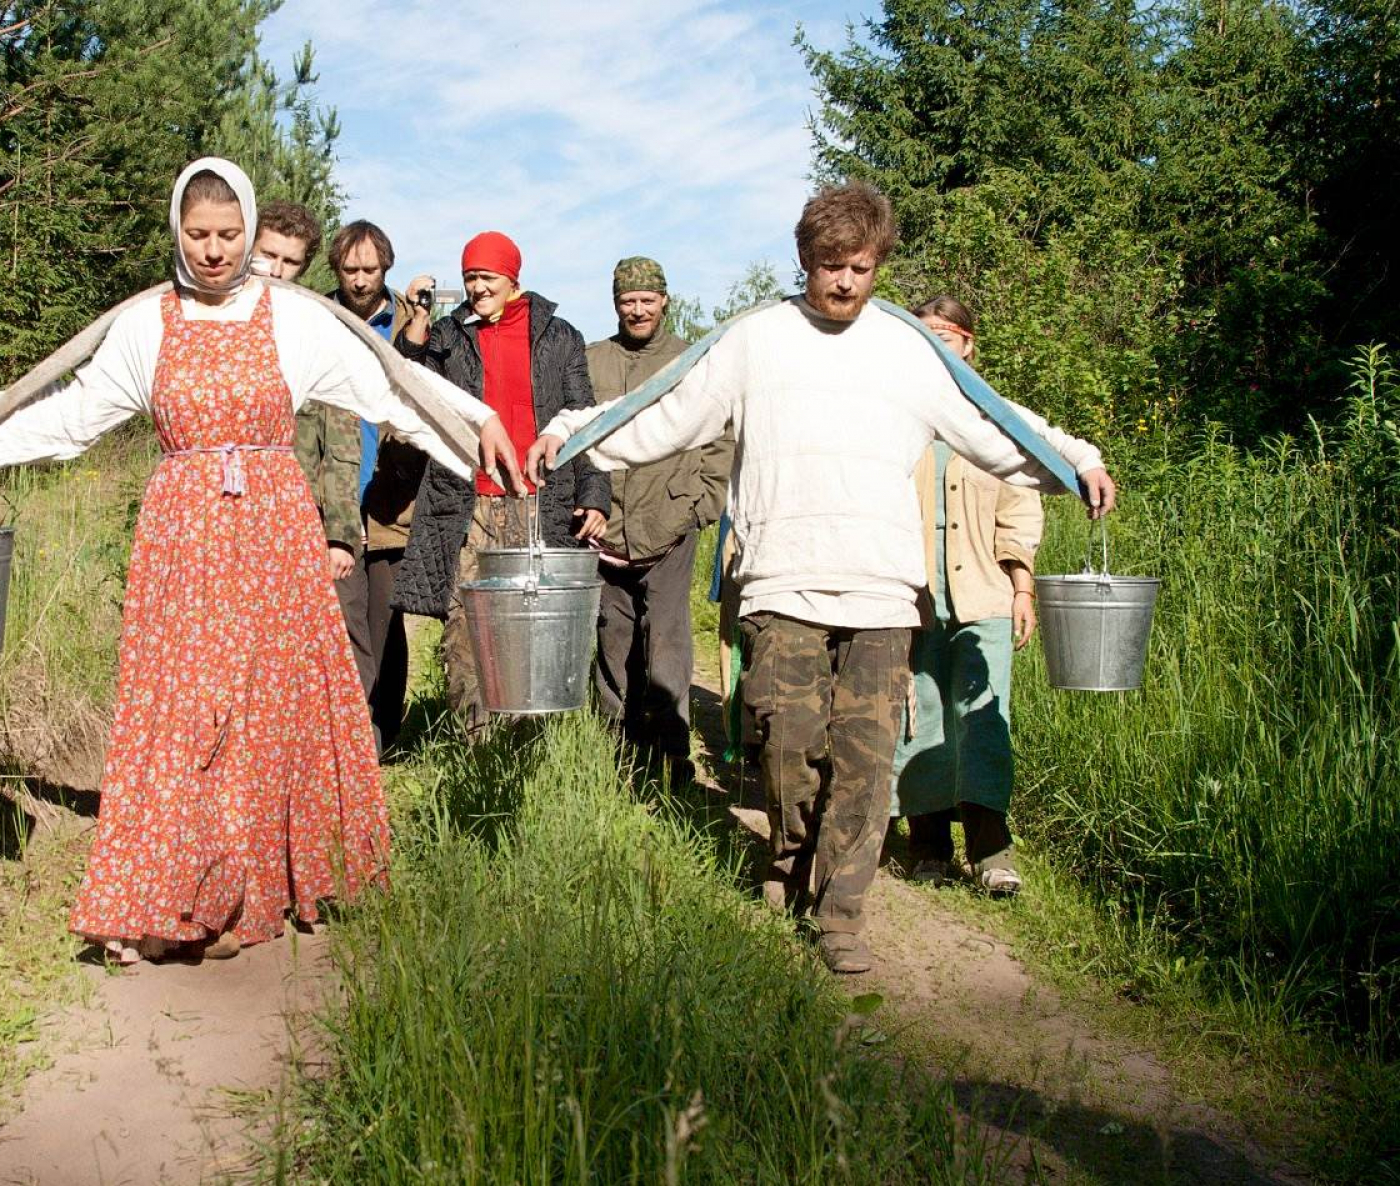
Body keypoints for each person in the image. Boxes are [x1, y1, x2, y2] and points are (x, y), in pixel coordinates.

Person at [0, 158, 524, 964]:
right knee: (182, 707)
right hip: (184, 542)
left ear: (248, 232)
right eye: (197, 234)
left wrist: (475, 418)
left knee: (272, 702)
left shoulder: (293, 317)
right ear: (178, 230)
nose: (212, 250)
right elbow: (74, 418)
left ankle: (257, 881)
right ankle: (176, 889)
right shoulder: (147, 323)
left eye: (228, 234)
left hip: (274, 535)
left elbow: (388, 389)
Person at [528, 181, 1116, 974]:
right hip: (781, 582)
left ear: (879, 265)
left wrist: (1075, 458)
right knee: (785, 745)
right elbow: (665, 408)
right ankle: (793, 855)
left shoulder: (909, 348)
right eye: (831, 265)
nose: (844, 281)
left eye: (861, 267)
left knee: (867, 759)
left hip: (881, 589)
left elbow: (990, 419)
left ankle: (840, 913)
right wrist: (569, 433)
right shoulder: (754, 339)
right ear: (804, 261)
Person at [393, 231, 611, 736]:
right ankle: (477, 744)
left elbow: (583, 417)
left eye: (486, 277)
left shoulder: (558, 336)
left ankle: (528, 744)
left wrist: (594, 493)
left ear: (513, 279)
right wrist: (418, 320)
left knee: (532, 633)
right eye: (469, 277)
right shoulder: (450, 334)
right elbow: (408, 379)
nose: (476, 287)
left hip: (538, 504)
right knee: (465, 627)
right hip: (467, 504)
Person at [892, 296, 1039, 895]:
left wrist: (1022, 588)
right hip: (914, 598)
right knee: (921, 716)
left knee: (982, 721)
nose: (937, 344)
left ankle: (991, 852)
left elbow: (1021, 509)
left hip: (985, 594)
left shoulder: (998, 419)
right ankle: (927, 845)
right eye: (924, 335)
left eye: (947, 335)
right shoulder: (900, 421)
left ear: (969, 343)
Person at [587, 256, 729, 781]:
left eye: (648, 300)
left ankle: (672, 751)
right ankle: (616, 748)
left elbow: (721, 434)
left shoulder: (693, 361)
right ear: (616, 303)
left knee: (667, 638)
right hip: (605, 528)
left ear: (664, 301)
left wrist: (703, 503)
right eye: (628, 301)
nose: (638, 310)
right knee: (611, 637)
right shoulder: (592, 361)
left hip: (670, 521)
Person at [292, 218, 426, 753]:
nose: (360, 279)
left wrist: (419, 329)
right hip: (335, 493)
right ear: (336, 270)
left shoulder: (407, 322)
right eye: (350, 269)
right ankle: (352, 735)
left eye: (370, 269)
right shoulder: (317, 319)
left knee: (386, 619)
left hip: (392, 495)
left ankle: (384, 730)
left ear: (385, 268)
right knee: (347, 624)